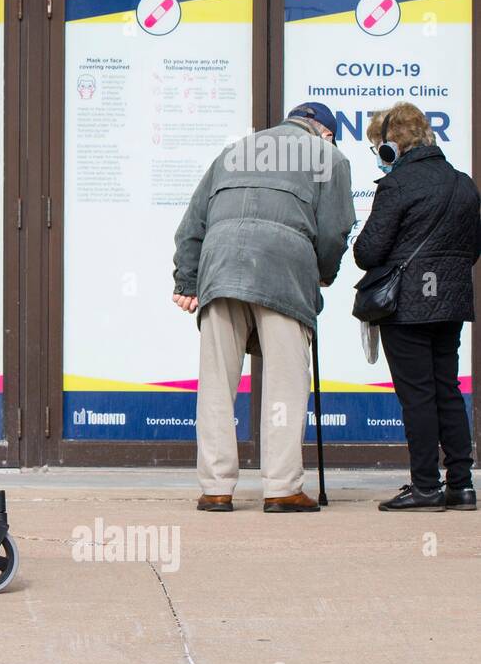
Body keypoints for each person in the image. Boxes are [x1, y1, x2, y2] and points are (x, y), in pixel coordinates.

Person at [172, 102, 355, 512]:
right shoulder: (330, 156)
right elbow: (334, 230)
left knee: (217, 381)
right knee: (285, 383)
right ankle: (281, 487)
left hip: (219, 267)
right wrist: (322, 274)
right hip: (283, 268)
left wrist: (186, 279)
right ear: (324, 133)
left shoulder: (234, 150)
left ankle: (216, 488)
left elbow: (192, 224)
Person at [353, 102, 480, 511]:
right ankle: (461, 485)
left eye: (379, 146)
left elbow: (368, 251)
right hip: (451, 302)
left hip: (406, 305)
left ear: (392, 146)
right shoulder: (464, 183)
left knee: (417, 395)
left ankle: (425, 487)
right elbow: (472, 248)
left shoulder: (398, 185)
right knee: (446, 389)